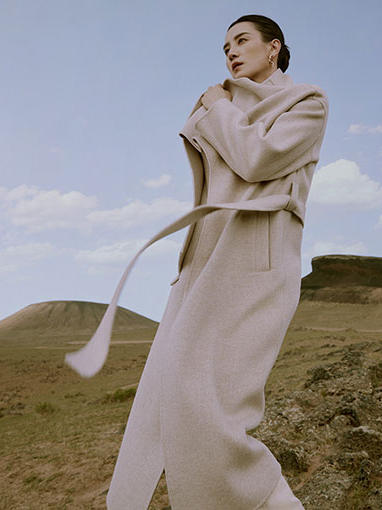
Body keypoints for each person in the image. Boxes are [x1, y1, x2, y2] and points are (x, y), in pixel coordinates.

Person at [65, 14, 328, 510]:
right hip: (204, 261)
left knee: (217, 407)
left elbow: (258, 158)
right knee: (170, 392)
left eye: (242, 40)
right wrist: (218, 107)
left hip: (258, 265)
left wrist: (217, 107)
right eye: (225, 47)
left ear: (273, 47)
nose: (231, 52)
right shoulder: (222, 104)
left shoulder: (306, 102)